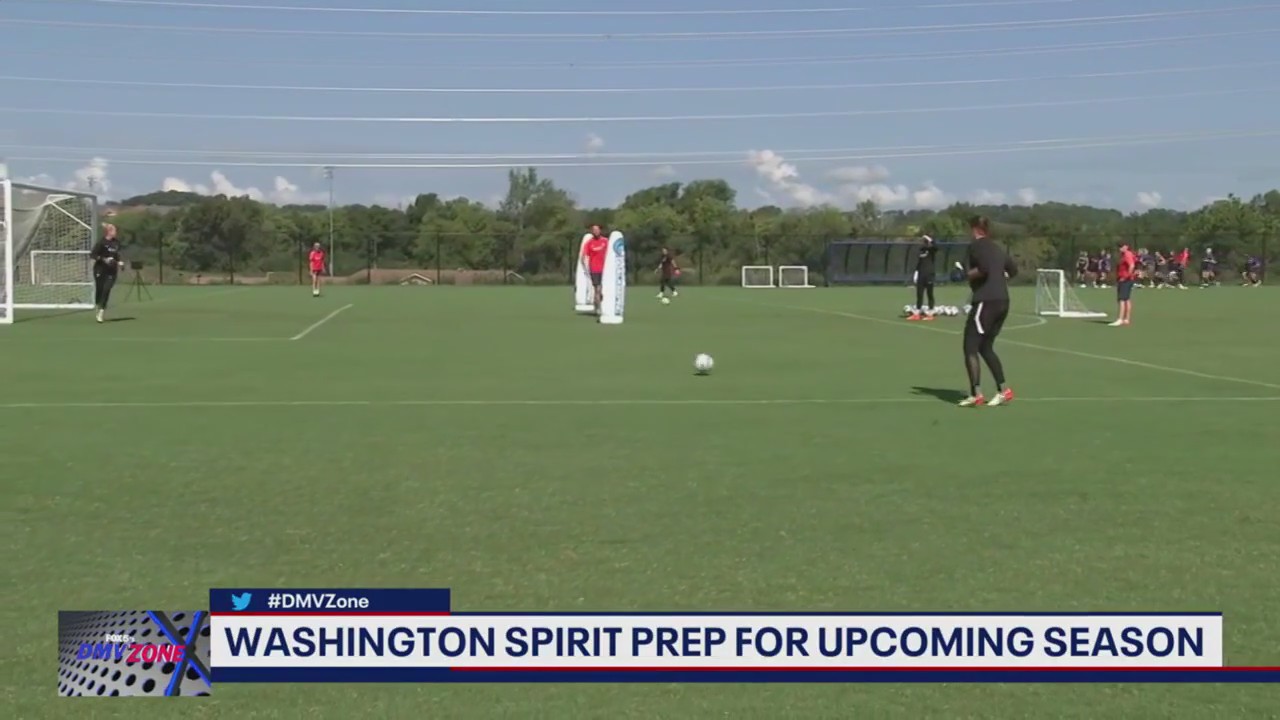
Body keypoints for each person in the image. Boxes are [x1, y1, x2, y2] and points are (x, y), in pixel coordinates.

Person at [959, 216, 1017, 407]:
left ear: (975, 229)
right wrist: (998, 279)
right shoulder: (997, 247)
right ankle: (1004, 390)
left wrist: (964, 274)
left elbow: (982, 268)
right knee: (985, 347)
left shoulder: (976, 246)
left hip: (986, 301)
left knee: (970, 347)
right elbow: (1013, 270)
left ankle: (976, 394)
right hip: (1003, 300)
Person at [89, 222, 123, 323]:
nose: (116, 232)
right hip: (100, 269)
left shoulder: (117, 243)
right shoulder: (101, 243)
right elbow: (93, 255)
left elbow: (117, 255)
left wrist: (119, 262)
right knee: (100, 289)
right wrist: (104, 259)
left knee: (106, 289)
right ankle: (98, 305)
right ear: (109, 232)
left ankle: (101, 311)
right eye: (114, 230)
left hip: (111, 271)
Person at [908, 234, 938, 321]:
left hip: (929, 274)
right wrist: (916, 273)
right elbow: (919, 262)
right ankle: (917, 313)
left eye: (925, 241)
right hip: (921, 274)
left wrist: (930, 239)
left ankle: (930, 313)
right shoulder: (921, 250)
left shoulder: (932, 250)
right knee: (919, 294)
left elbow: (936, 247)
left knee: (929, 293)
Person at [581, 225, 609, 314]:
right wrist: (584, 267)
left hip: (605, 269)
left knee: (602, 290)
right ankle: (598, 308)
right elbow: (583, 255)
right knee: (597, 289)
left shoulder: (605, 241)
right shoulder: (589, 243)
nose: (596, 231)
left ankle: (598, 303)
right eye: (594, 230)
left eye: (597, 230)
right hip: (594, 269)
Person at [1109, 243, 1137, 327]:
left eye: (1122, 246)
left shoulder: (1127, 254)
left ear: (1126, 246)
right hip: (1127, 279)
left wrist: (1126, 277)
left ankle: (1120, 319)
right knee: (1126, 299)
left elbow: (1131, 265)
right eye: (1119, 247)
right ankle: (1126, 319)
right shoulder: (1124, 255)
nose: (1120, 248)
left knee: (1121, 299)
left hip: (1125, 279)